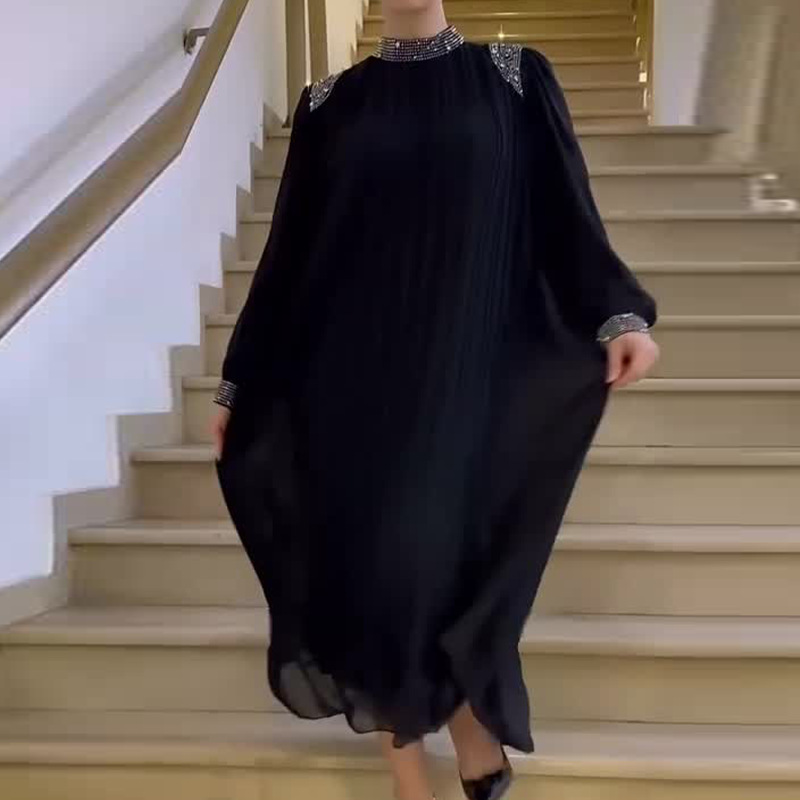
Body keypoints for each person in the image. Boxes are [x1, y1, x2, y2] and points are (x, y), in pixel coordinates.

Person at [211, 2, 659, 799]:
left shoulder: (513, 78)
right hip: (349, 375)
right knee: (376, 556)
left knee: (437, 546)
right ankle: (409, 767)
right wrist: (239, 381)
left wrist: (617, 313)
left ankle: (461, 719)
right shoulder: (328, 105)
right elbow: (288, 260)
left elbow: (566, 213)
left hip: (467, 365)